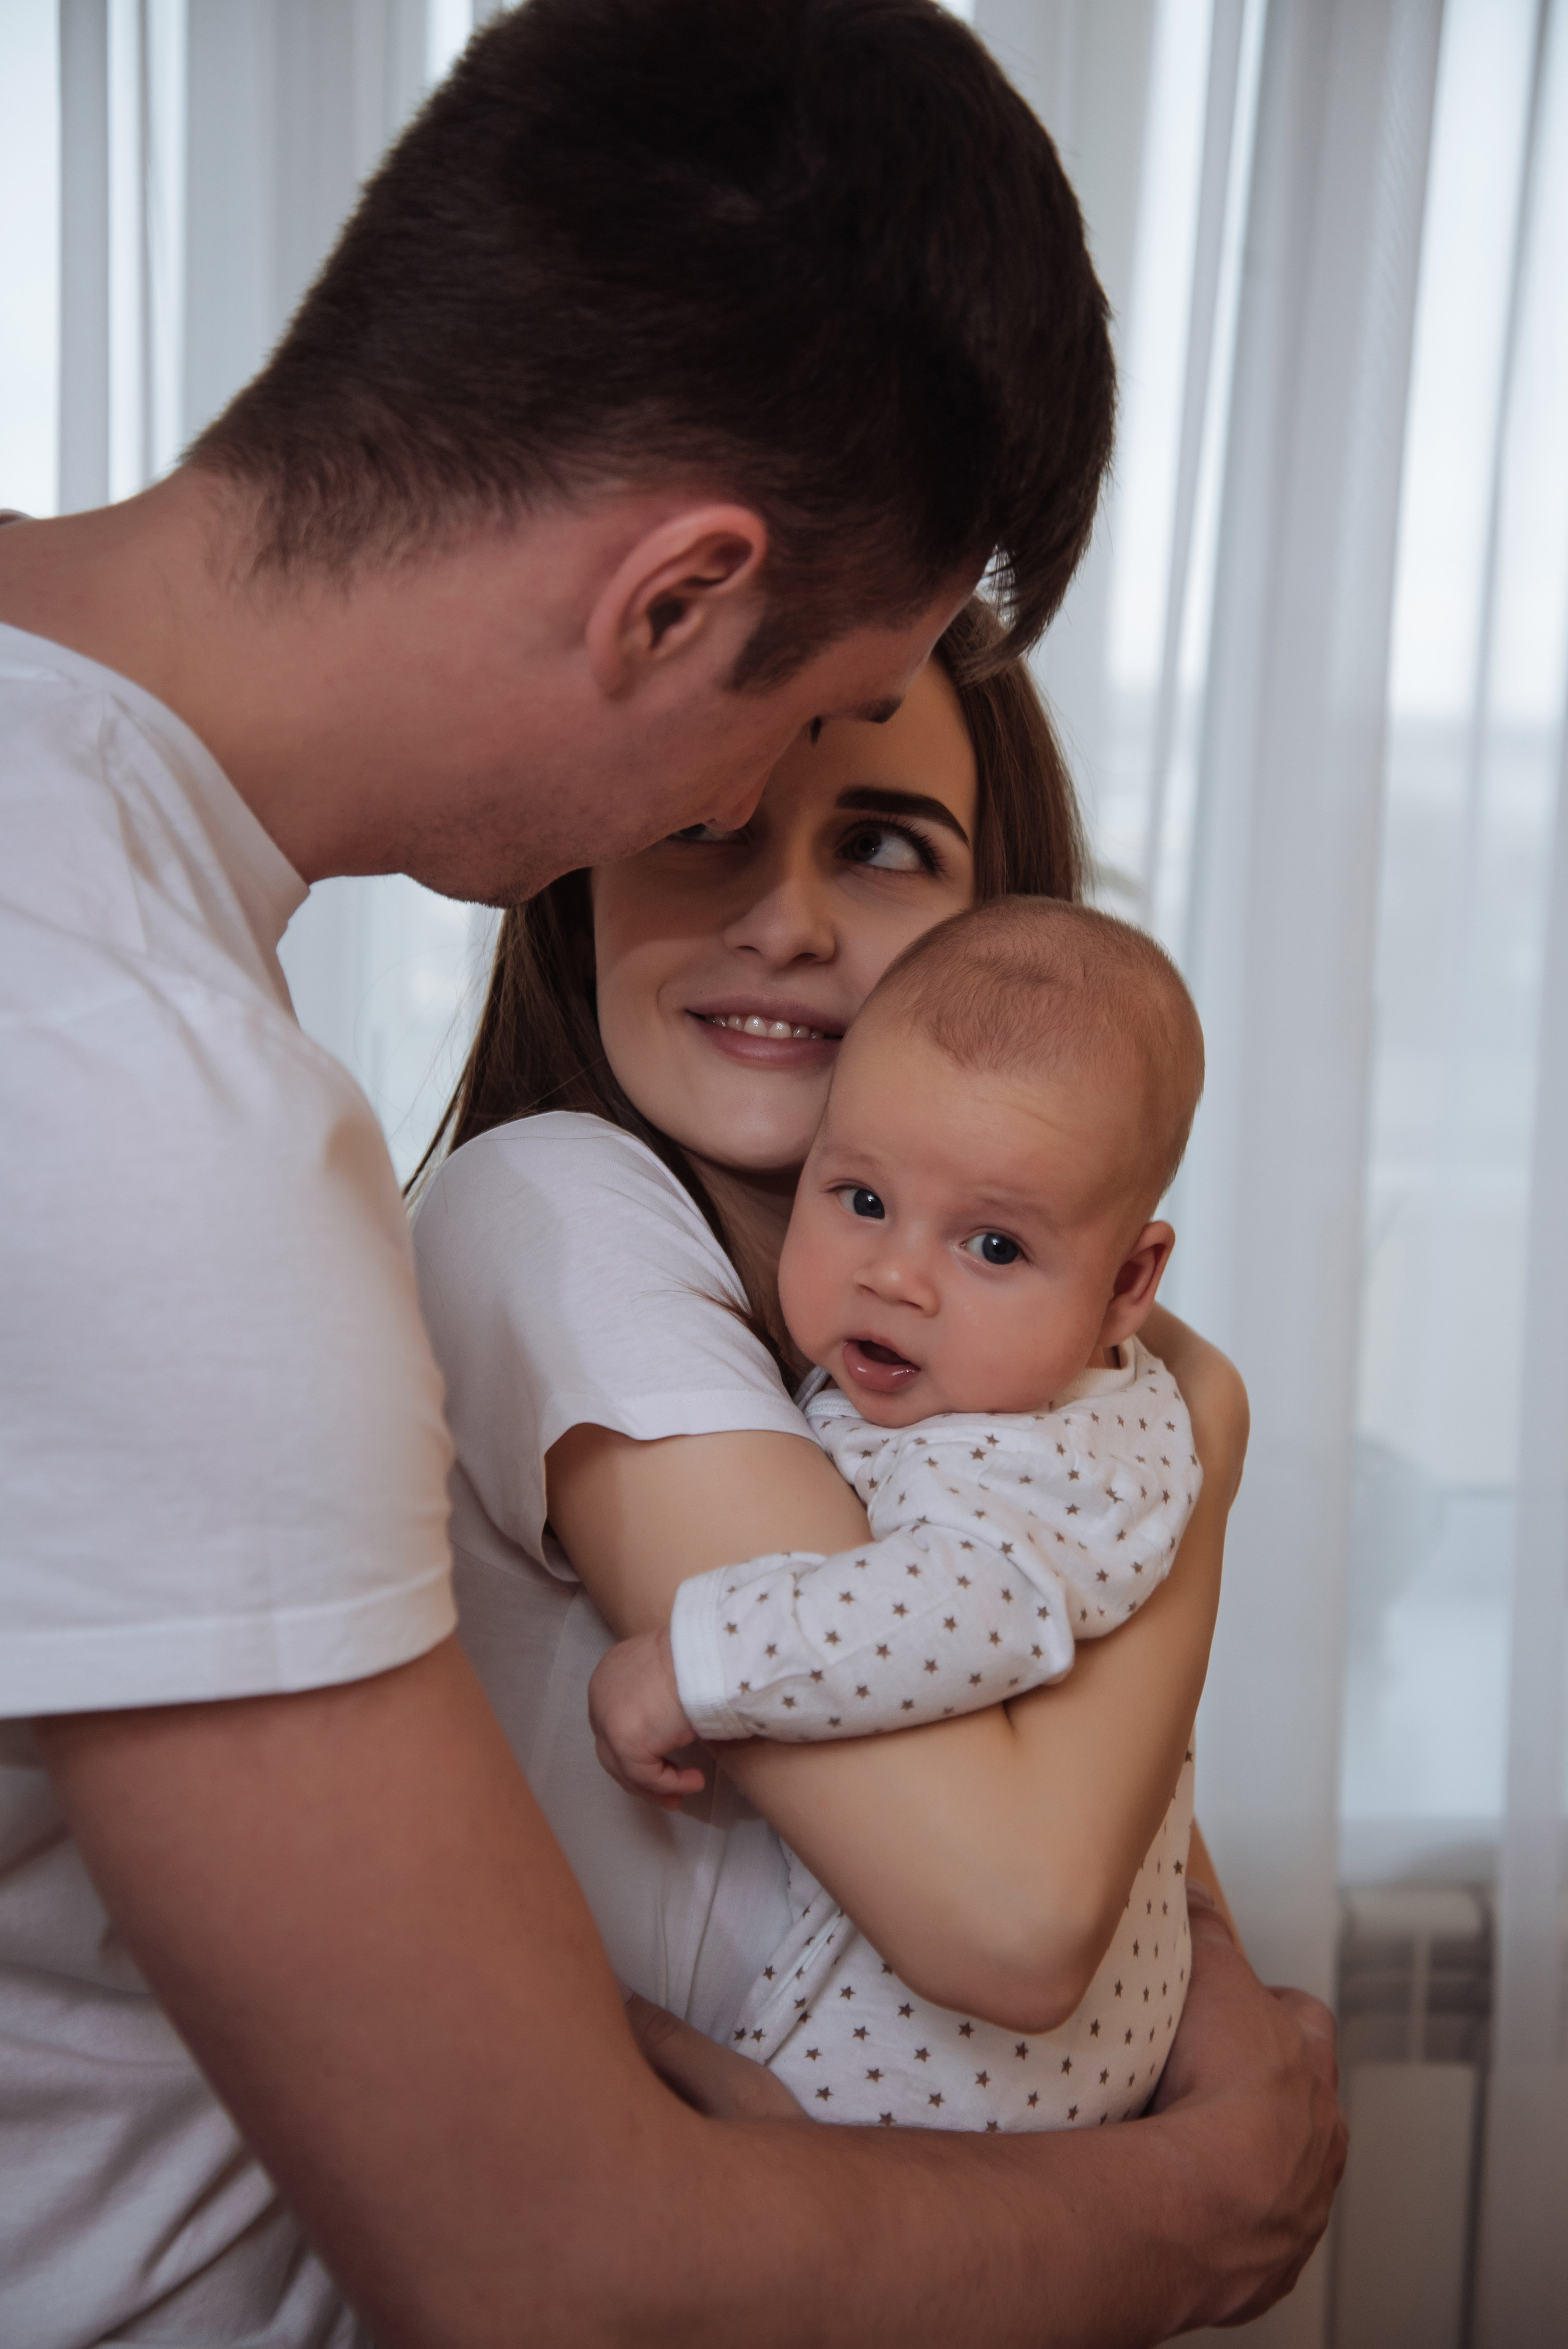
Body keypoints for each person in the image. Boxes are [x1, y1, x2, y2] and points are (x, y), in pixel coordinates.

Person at [0, 2, 1342, 2342]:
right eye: (778, 723)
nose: (755, 878)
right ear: (676, 602)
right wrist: (1195, 2215)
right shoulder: (149, 1095)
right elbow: (550, 2262)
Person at [413, 596, 1342, 2318]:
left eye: (888, 845)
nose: (786, 918)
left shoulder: (956, 1374)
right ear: (587, 870)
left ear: (1001, 923)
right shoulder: (555, 1209)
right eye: (703, 825)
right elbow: (1010, 1911)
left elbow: (1134, 1864)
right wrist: (1198, 1443)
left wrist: (1216, 2113)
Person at [584, 895, 1208, 2135]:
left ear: (1128, 1284)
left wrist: (698, 1661)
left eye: (989, 1244)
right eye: (858, 1199)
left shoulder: (1052, 1447)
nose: (894, 1276)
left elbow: (967, 1606)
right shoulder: (1009, 1391)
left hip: (960, 2087)